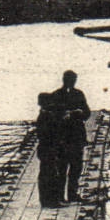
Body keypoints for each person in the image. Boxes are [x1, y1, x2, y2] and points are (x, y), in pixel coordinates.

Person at [55, 70, 92, 203]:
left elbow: (87, 113)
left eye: (72, 80)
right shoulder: (57, 95)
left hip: (76, 137)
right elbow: (52, 115)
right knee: (62, 168)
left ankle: (72, 194)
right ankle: (60, 195)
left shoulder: (79, 94)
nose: (70, 82)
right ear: (64, 80)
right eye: (69, 79)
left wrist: (78, 113)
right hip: (63, 137)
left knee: (76, 167)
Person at [35, 91, 66, 207]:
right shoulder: (46, 117)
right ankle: (50, 201)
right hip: (48, 149)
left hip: (44, 149)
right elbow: (49, 134)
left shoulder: (43, 115)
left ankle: (47, 200)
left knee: (46, 174)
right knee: (50, 174)